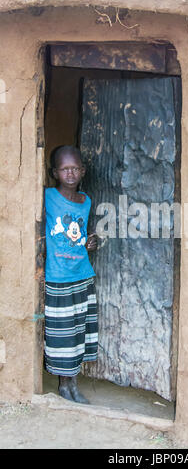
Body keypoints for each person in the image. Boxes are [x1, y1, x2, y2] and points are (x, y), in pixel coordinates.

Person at [44, 145, 98, 404]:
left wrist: (92, 242)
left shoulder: (86, 201)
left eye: (75, 168)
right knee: (62, 336)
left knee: (78, 333)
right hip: (58, 278)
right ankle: (64, 386)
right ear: (55, 172)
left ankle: (73, 383)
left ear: (83, 171)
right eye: (64, 169)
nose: (70, 173)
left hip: (82, 275)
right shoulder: (47, 196)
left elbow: (85, 233)